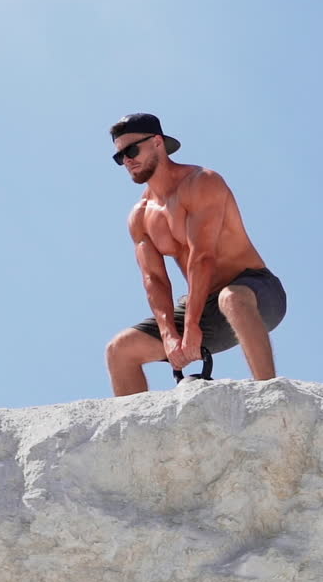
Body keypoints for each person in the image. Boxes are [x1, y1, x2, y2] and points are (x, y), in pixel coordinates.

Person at [104, 113, 287, 396]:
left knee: (232, 298)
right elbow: (154, 280)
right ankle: (143, 437)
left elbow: (203, 257)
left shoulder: (202, 182)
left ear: (156, 143)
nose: (127, 161)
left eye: (131, 150)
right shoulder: (140, 217)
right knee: (120, 349)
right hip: (204, 308)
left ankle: (272, 399)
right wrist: (169, 335)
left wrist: (190, 328)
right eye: (120, 157)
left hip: (257, 294)